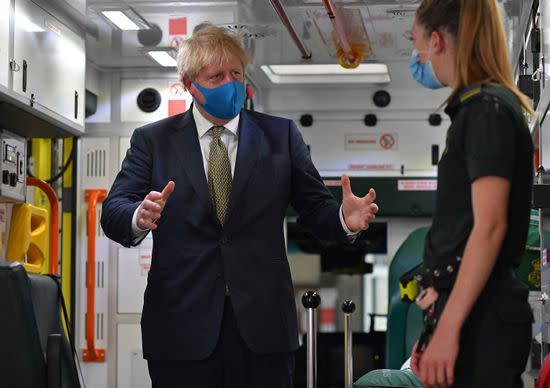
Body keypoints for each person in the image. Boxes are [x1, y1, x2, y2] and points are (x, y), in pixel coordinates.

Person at [100, 25, 379, 388]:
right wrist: (139, 215)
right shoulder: (153, 140)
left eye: (236, 74)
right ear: (189, 84)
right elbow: (114, 209)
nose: (230, 84)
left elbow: (315, 209)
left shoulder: (281, 136)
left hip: (263, 328)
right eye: (216, 76)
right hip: (180, 328)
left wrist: (345, 219)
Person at [407, 0, 535, 388]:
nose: (420, 57)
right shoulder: (476, 111)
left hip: (482, 320)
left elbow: (490, 226)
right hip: (471, 316)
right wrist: (437, 323)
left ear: (438, 40)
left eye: (418, 44)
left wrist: (448, 329)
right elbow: (461, 234)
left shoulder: (486, 111)